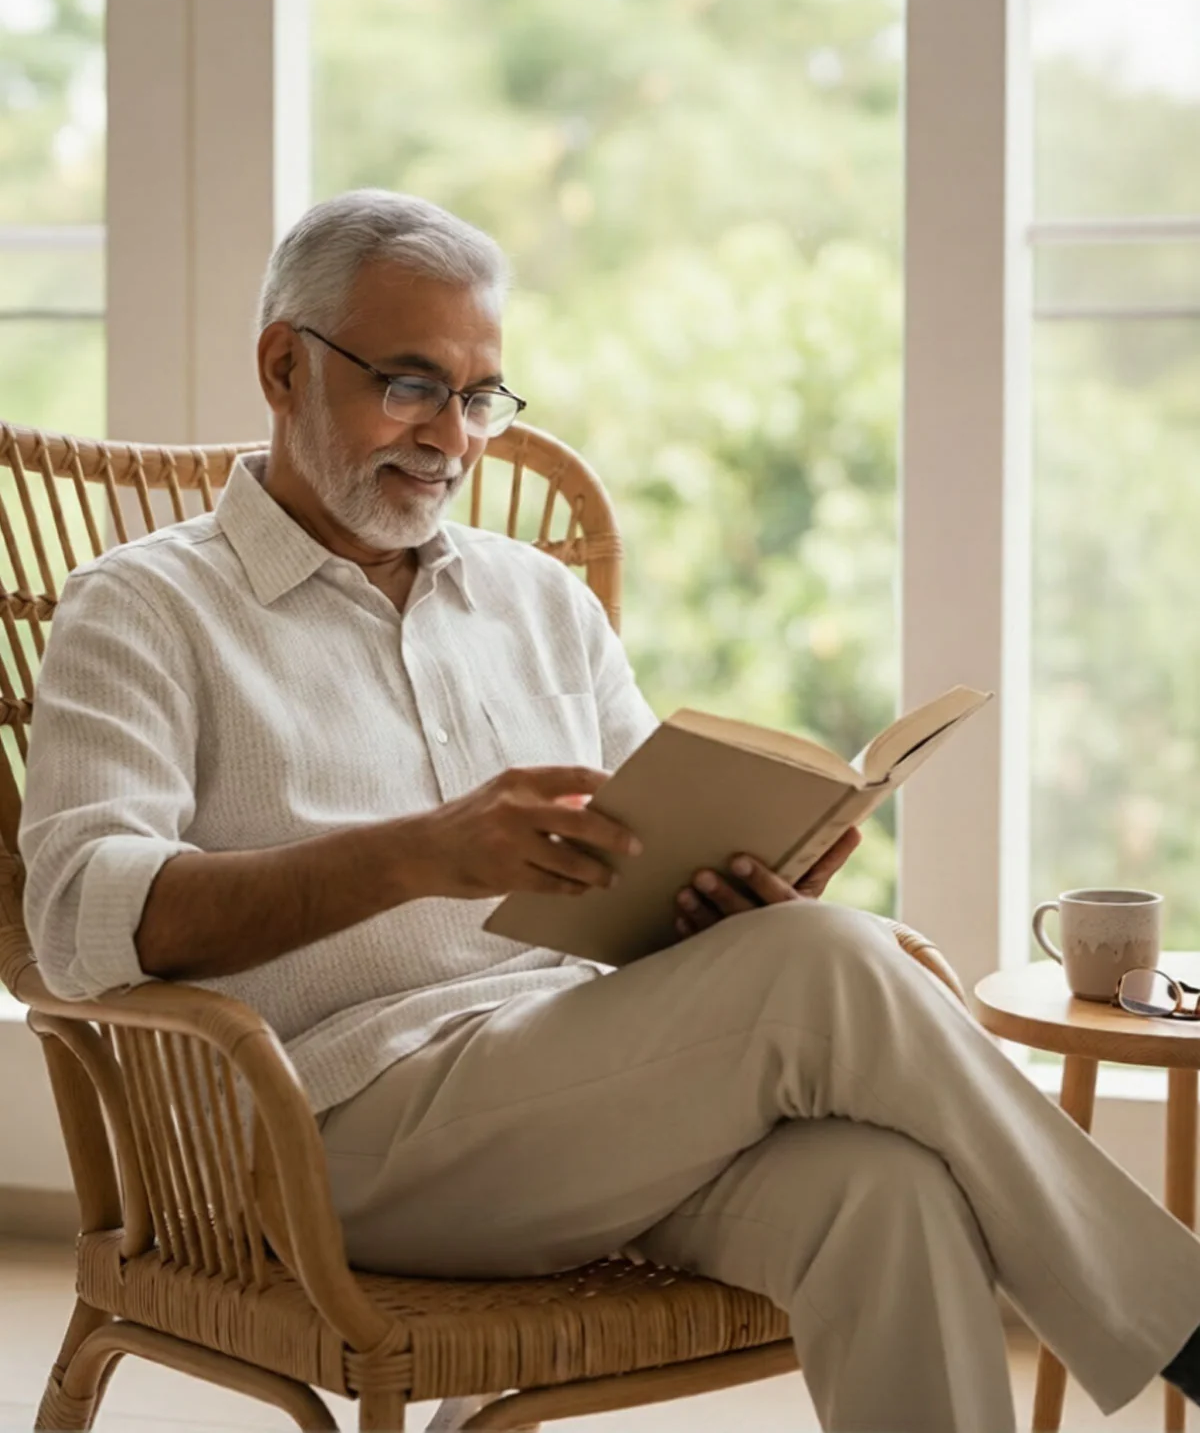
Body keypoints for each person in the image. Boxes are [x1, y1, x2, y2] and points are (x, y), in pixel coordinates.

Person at [19, 188, 1200, 1432]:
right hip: (327, 1135)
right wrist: (417, 854)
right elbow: (77, 921)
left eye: (480, 398)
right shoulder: (143, 608)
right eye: (412, 385)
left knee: (885, 1189)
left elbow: (642, 846)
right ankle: (1183, 1320)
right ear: (282, 364)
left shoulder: (536, 600)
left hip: (584, 1089)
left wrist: (735, 892)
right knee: (826, 968)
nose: (452, 438)